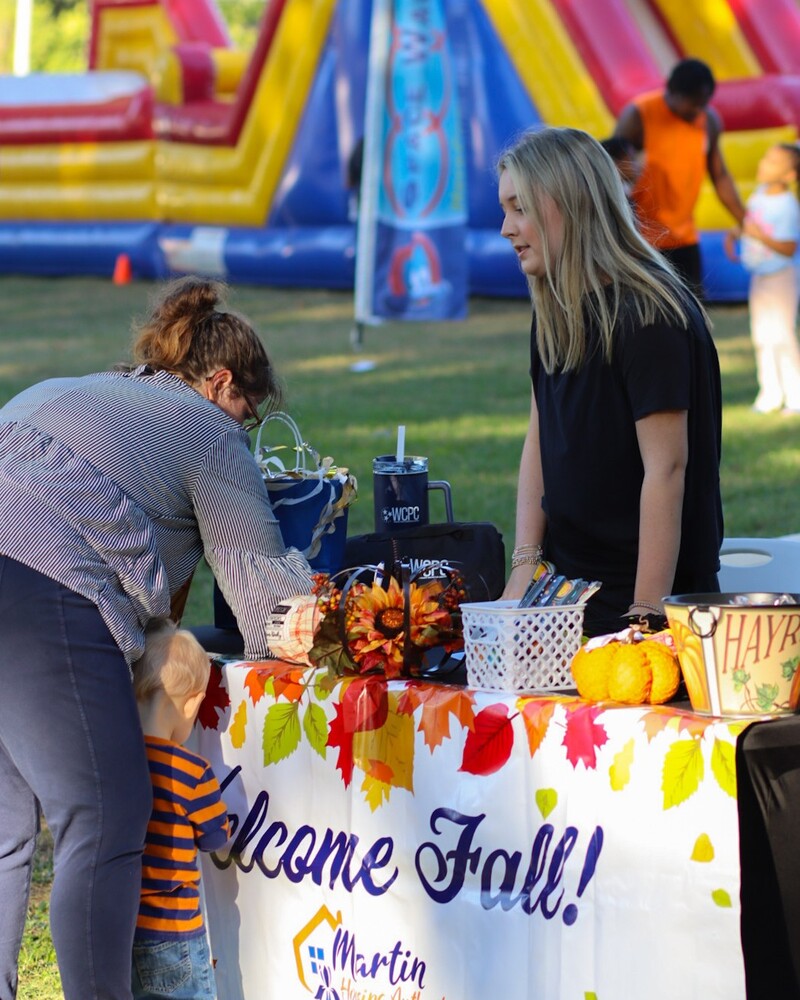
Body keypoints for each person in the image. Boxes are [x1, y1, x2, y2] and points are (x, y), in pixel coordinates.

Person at [0, 275, 313, 999]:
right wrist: (314, 582)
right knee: (106, 816)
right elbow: (268, 601)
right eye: (249, 413)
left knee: (9, 828)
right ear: (222, 382)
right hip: (42, 581)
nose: (246, 430)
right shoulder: (211, 431)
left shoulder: (74, 386)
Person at [497, 126, 723, 637]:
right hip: (564, 594)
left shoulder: (649, 315)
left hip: (647, 603)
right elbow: (540, 437)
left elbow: (667, 470)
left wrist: (643, 620)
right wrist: (521, 574)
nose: (505, 228)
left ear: (568, 204)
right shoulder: (554, 306)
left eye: (519, 208)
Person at [131, 619, 228, 1000]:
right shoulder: (193, 772)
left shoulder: (118, 759)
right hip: (175, 931)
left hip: (125, 925)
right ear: (192, 704)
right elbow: (215, 838)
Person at [614, 57, 745, 295]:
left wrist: (744, 220)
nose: (698, 111)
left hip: (684, 237)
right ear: (671, 91)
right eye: (692, 104)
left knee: (694, 313)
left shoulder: (709, 121)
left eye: (703, 104)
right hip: (642, 239)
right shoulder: (638, 115)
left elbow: (720, 176)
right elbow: (612, 169)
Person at [724, 143, 800, 414]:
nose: (763, 164)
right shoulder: (758, 196)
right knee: (762, 336)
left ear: (790, 175)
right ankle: (769, 394)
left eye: (773, 162)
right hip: (760, 277)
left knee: (782, 334)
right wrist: (736, 232)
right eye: (766, 158)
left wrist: (759, 236)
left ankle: (795, 395)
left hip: (781, 278)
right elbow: (749, 222)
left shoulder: (788, 206)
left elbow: (789, 248)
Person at [599, 136, 642, 201]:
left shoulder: (626, 191)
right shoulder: (610, 197)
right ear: (614, 163)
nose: (638, 165)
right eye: (632, 159)